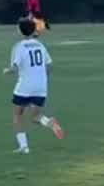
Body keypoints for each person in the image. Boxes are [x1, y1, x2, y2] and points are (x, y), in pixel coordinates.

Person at [6, 18, 65, 153]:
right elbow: (49, 65)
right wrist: (43, 79)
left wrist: (7, 71)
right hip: (41, 86)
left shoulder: (19, 46)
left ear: (20, 31)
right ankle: (49, 122)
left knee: (18, 115)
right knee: (35, 116)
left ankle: (24, 147)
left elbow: (14, 67)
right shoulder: (40, 45)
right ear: (33, 30)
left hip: (25, 86)